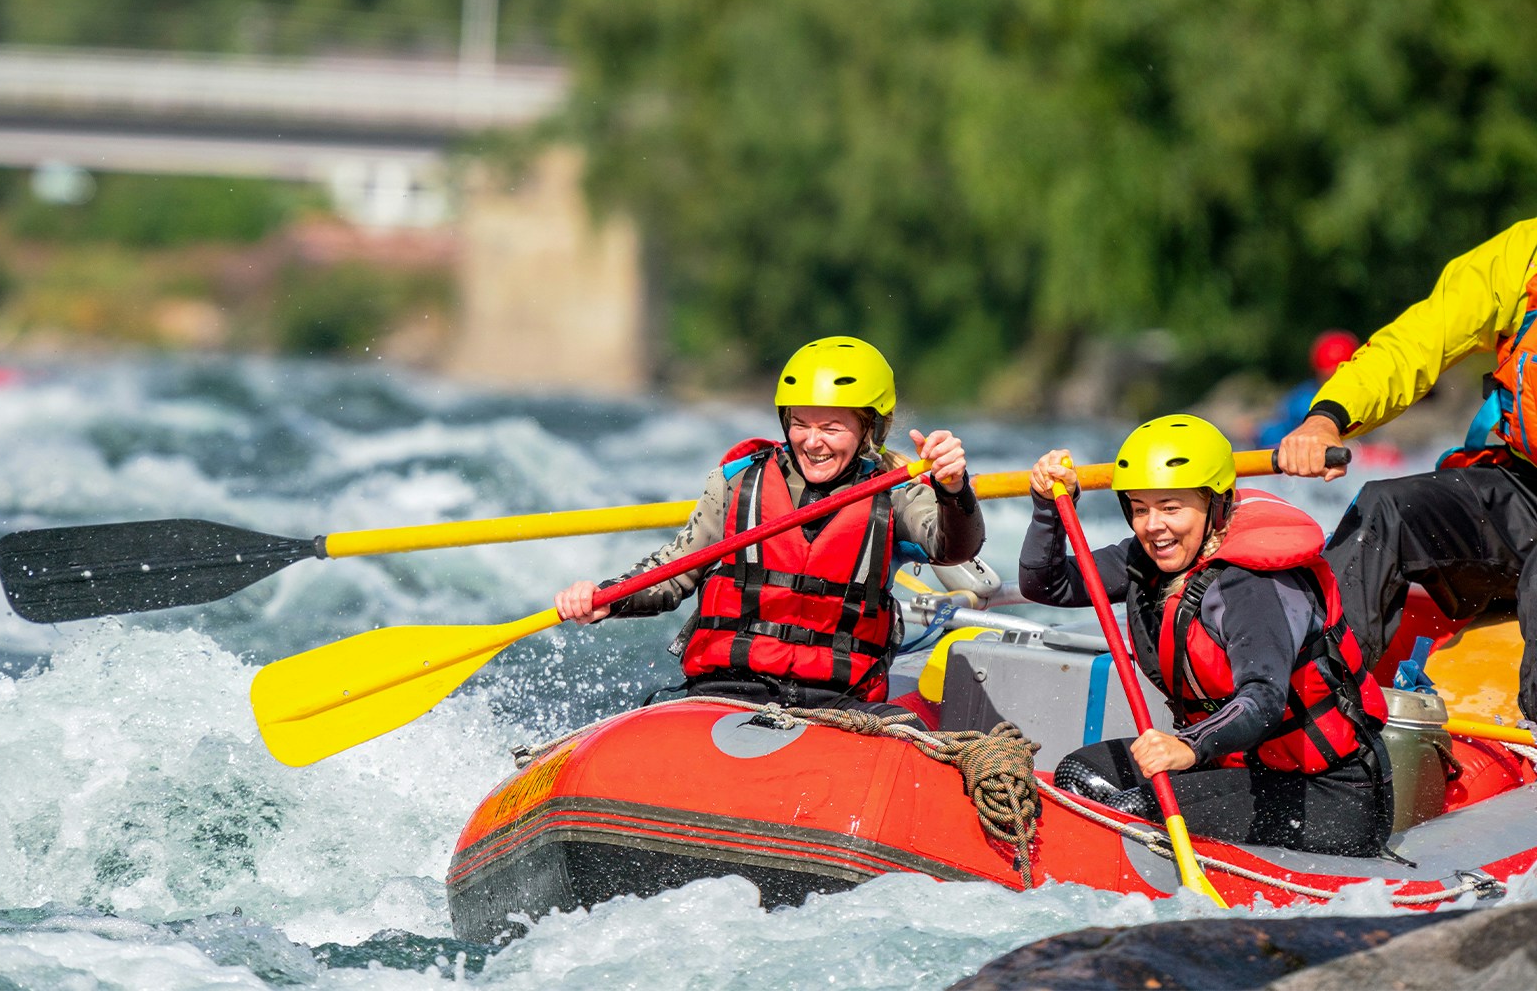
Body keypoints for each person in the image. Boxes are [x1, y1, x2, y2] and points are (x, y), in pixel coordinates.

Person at [1019, 414, 1393, 856]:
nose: (1153, 526)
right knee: (1080, 775)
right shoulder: (1153, 558)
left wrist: (1187, 746)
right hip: (1238, 767)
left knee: (1135, 811)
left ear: (1216, 505)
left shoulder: (1255, 585)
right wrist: (1048, 509)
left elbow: (1263, 700)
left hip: (1332, 795)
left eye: (1171, 507)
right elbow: (1047, 584)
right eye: (1139, 509)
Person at [555, 336, 985, 714]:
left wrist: (953, 488)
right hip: (726, 691)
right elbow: (673, 571)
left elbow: (953, 548)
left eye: (831, 428)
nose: (812, 441)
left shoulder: (896, 490)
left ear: (870, 428)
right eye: (800, 424)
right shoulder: (738, 484)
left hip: (839, 702)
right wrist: (607, 598)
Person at [1276, 218, 1537, 721]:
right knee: (1386, 509)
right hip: (1526, 489)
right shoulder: (1523, 255)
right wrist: (1327, 417)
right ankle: (1313, 715)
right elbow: (1414, 343)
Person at [1255, 329, 1362, 447]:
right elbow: (1274, 432)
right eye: (1327, 376)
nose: (1331, 383)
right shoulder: (1302, 401)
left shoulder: (1368, 398)